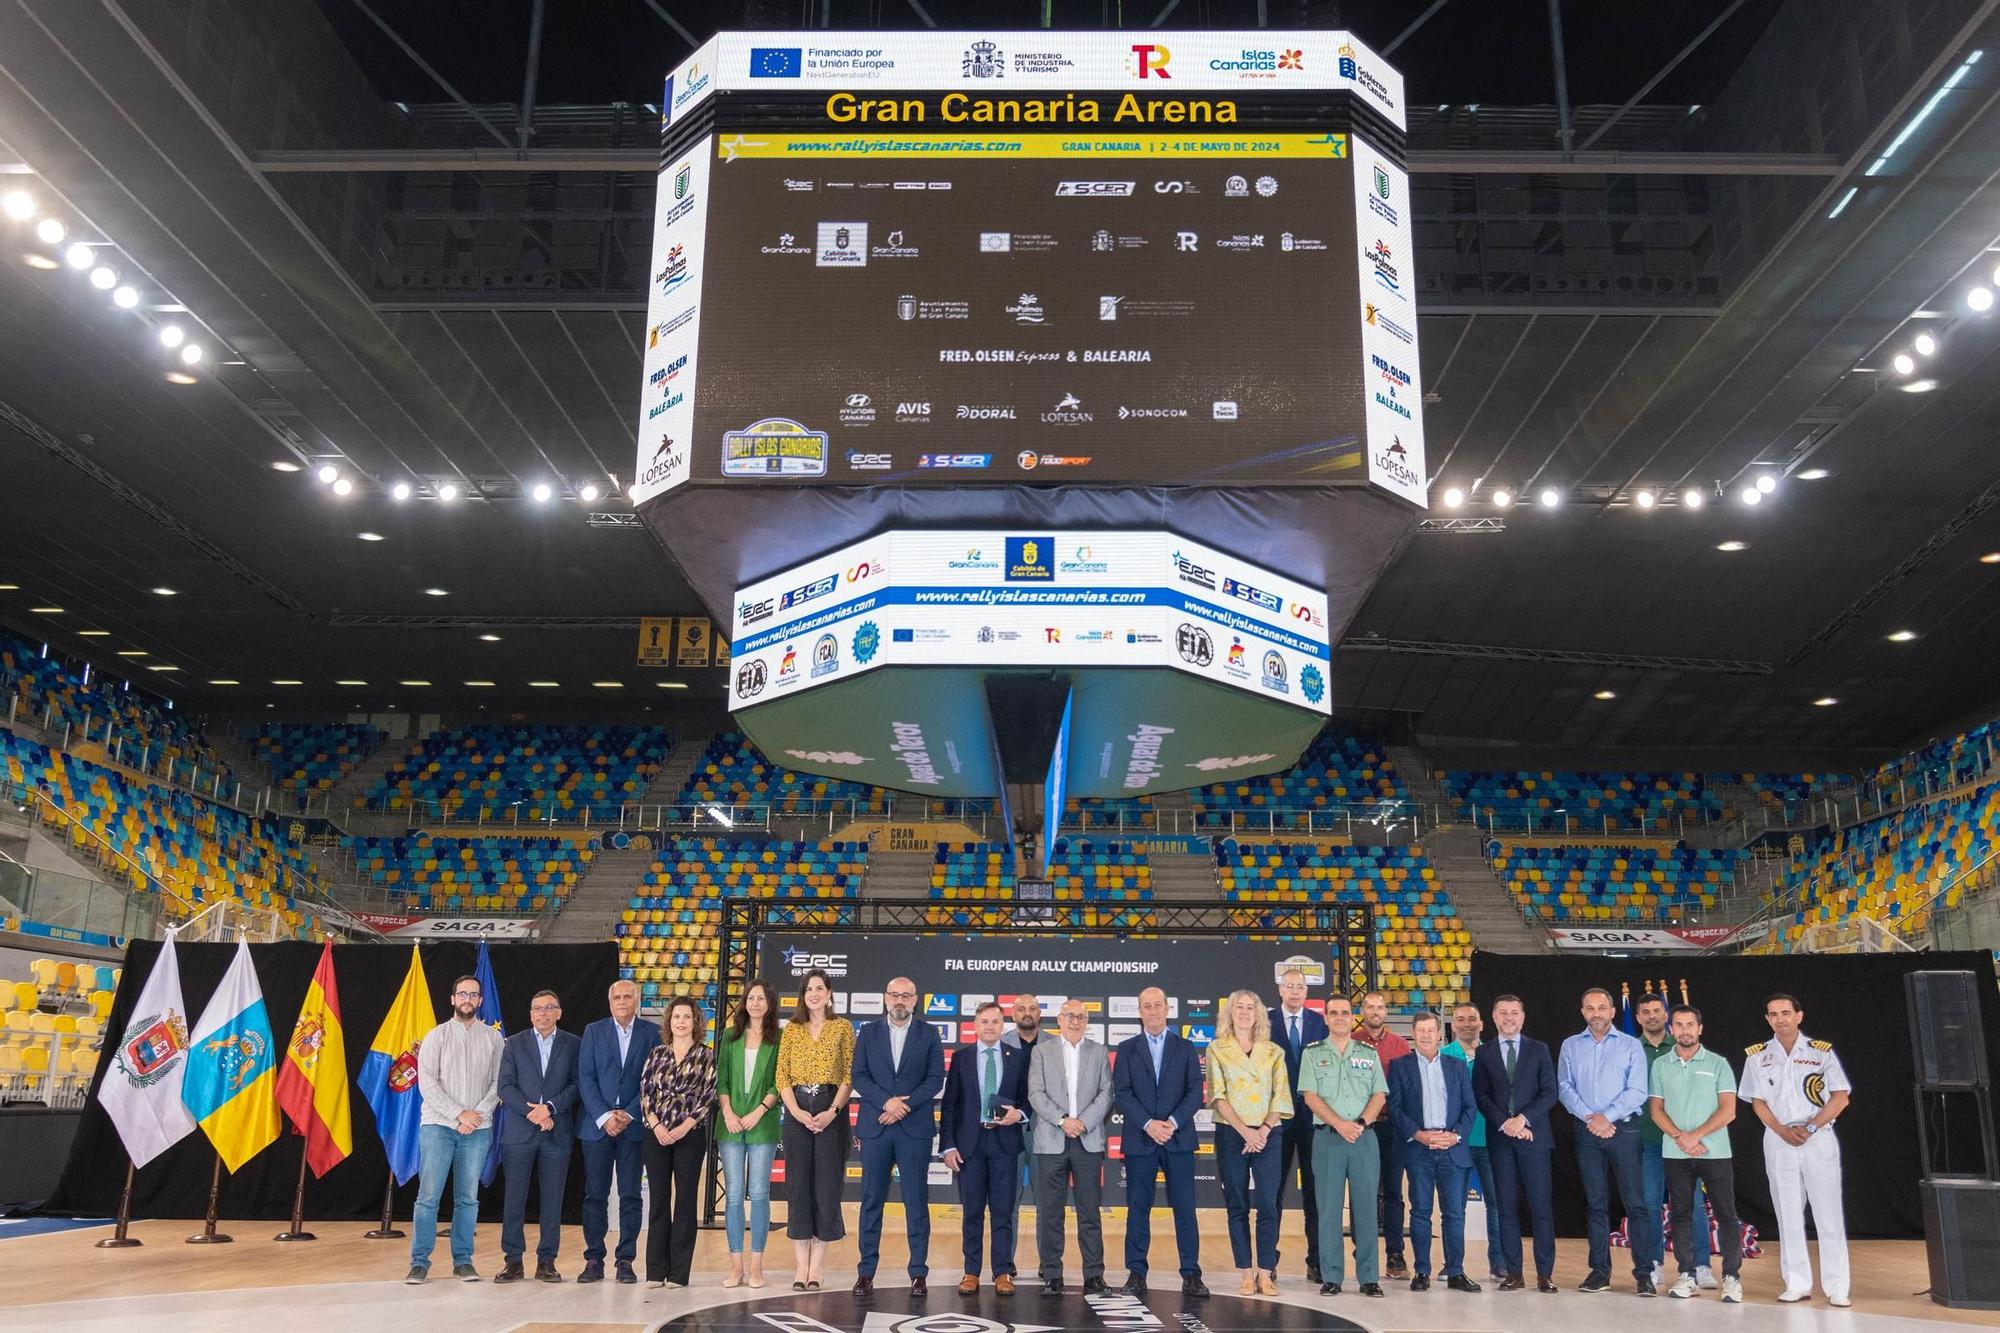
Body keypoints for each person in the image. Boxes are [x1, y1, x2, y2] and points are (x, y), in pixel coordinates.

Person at [1739, 993, 1851, 1307]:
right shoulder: (1757, 1057)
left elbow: (1840, 1097)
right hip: (1779, 1138)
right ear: (1767, 1020)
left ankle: (1837, 1286)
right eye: (1773, 1014)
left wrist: (1812, 1126)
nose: (1780, 1019)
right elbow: (1757, 1102)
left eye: (1786, 1012)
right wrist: (1781, 1131)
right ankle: (1797, 1283)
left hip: (1817, 1137)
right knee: (1788, 1213)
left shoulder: (1821, 1053)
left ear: (1799, 1016)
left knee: (1828, 1214)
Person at [1558, 986, 1658, 1296]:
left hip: (1624, 1131)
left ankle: (1644, 1274)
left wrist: (1608, 1117)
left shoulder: (1630, 1045)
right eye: (1590, 1008)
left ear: (1613, 1011)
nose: (1596, 1013)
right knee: (1596, 1205)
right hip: (1587, 1133)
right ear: (1583, 1012)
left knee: (1636, 1204)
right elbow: (1564, 1087)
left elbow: (1638, 1090)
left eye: (1602, 1007)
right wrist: (1591, 1118)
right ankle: (1599, 1272)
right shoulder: (1570, 1045)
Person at [405, 973, 504, 1284]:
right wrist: (458, 1114)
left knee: (468, 1198)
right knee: (428, 1196)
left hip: (478, 1128)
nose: (467, 999)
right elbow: (428, 1084)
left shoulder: (493, 1038)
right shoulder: (436, 1036)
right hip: (438, 1126)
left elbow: (499, 1083)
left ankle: (463, 1261)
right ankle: (419, 1262)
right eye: (462, 994)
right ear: (452, 999)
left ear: (480, 1000)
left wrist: (476, 1115)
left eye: (473, 995)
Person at [850, 975, 945, 1298]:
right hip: (876, 1126)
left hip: (913, 1128)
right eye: (894, 995)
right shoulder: (868, 1032)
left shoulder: (929, 1034)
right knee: (871, 1201)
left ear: (916, 999)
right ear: (886, 998)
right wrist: (886, 1102)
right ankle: (866, 1272)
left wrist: (903, 1106)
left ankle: (918, 1272)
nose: (900, 1000)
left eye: (906, 995)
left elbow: (935, 1080)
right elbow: (858, 1076)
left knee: (916, 1203)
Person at [1113, 986, 1207, 1297]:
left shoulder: (1186, 1047)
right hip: (1141, 1139)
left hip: (1178, 1138)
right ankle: (1136, 1272)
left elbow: (1195, 1091)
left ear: (1167, 1008)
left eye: (1157, 1005)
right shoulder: (1126, 1049)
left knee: (1184, 1208)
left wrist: (1172, 1123)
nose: (1153, 1011)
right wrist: (1148, 1124)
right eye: (1147, 1006)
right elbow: (1122, 1094)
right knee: (1138, 1208)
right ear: (1140, 1011)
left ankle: (1191, 1274)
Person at [1649, 1004, 1744, 1303]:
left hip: (1714, 1152)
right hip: (1676, 1153)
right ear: (1671, 1029)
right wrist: (1681, 1138)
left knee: (1727, 1215)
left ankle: (1731, 1277)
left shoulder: (1718, 1063)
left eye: (1690, 1024)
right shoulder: (1661, 1065)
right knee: (1681, 1216)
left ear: (1700, 1028)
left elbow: (1728, 1110)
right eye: (1678, 1025)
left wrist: (1696, 1136)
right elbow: (1656, 1110)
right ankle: (1686, 1275)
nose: (1685, 1030)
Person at [1298, 994, 1387, 1299]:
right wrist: (1340, 1124)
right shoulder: (1312, 1054)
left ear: (1353, 1018)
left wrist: (1359, 1124)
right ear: (1325, 1018)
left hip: (1363, 1139)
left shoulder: (1368, 1053)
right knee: (1329, 1210)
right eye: (1333, 1012)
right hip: (1327, 1139)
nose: (1339, 1017)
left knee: (1366, 1210)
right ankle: (1332, 1276)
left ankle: (1369, 1278)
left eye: (1345, 1013)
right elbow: (1310, 1097)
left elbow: (1379, 1095)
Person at [1472, 994, 1560, 1293]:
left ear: (1523, 1017)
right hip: (1500, 1141)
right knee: (1506, 1208)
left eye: (1514, 1013)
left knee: (1541, 1208)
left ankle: (1545, 1274)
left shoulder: (1540, 1050)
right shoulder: (1484, 1053)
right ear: (1494, 1017)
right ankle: (1513, 1273)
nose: (1509, 1018)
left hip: (1535, 1139)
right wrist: (1506, 1124)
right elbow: (1481, 1095)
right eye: (1503, 1013)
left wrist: (1522, 1120)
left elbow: (1550, 1092)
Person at [1207, 988, 1292, 1295]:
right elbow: (1217, 1095)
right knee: (1238, 1204)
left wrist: (1263, 1130)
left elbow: (1281, 1097)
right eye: (1238, 1007)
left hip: (1269, 1134)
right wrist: (1246, 1132)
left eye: (1250, 1007)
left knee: (1269, 1204)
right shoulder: (1217, 1049)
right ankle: (1245, 1271)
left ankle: (1265, 1272)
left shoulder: (1273, 1052)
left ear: (1258, 1014)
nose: (1244, 1012)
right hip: (1233, 1134)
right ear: (1229, 1013)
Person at [941, 1001, 1030, 1293]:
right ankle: (971, 1272)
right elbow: (950, 1105)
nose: (990, 1026)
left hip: (1005, 1142)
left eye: (995, 1021)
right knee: (972, 1212)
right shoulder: (961, 1058)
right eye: (984, 1022)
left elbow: (1028, 1098)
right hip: (971, 1144)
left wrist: (1019, 1114)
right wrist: (949, 1146)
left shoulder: (1016, 1057)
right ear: (975, 1026)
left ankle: (1003, 1272)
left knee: (1003, 1211)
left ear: (1003, 1025)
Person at [1390, 1013, 1480, 1294]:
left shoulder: (1456, 1066)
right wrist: (1419, 1134)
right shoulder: (1400, 1066)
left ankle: (1455, 1271)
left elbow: (1469, 1107)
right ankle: (1421, 1271)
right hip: (1419, 1148)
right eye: (1421, 1031)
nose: (1427, 1035)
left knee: (1454, 1214)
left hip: (1452, 1148)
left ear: (1440, 1035)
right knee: (1420, 1213)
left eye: (1431, 1030)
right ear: (1413, 1035)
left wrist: (1455, 1136)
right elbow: (1395, 1108)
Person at [775, 968, 854, 1291]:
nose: (814, 994)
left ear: (829, 993)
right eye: (809, 989)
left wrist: (832, 1111)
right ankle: (800, 1267)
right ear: (802, 994)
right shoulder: (791, 1030)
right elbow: (781, 1074)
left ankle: (817, 1269)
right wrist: (795, 1111)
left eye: (820, 988)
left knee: (826, 1189)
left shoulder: (843, 1028)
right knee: (798, 1189)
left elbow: (849, 1074)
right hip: (796, 1111)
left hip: (829, 1108)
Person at [494, 989, 580, 1283]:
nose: (543, 1013)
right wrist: (533, 1112)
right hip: (520, 1132)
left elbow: (578, 1084)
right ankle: (513, 1261)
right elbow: (504, 1086)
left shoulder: (573, 1044)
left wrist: (551, 1109)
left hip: (556, 1132)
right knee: (514, 1198)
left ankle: (547, 1261)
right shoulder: (514, 1044)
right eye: (537, 1009)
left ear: (559, 1012)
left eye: (549, 1008)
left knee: (553, 1200)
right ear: (530, 1014)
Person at [577, 978, 660, 1285]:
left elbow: (653, 1080)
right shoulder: (593, 1031)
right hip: (596, 1128)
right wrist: (603, 1116)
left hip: (633, 1127)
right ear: (609, 1001)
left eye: (628, 996)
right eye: (617, 997)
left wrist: (627, 1113)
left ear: (637, 1000)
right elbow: (585, 1078)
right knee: (595, 1196)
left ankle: (625, 1260)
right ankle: (594, 1259)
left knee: (630, 1196)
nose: (622, 1001)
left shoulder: (651, 1033)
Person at [1028, 997, 1112, 1296]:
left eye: (1080, 1016)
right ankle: (1052, 1273)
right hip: (1051, 1140)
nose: (1075, 1021)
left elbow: (1105, 1093)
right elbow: (1035, 1094)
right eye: (1069, 1016)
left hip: (1087, 1141)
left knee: (1089, 1211)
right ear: (1059, 1020)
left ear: (1086, 1021)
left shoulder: (1099, 1051)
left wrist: (1083, 1122)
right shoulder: (1041, 1051)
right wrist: (1063, 1120)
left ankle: (1094, 1274)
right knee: (1051, 1212)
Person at [1635, 993, 1713, 1287]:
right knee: (1650, 1203)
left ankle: (1700, 1264)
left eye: (1657, 1010)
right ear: (1639, 1017)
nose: (1652, 1015)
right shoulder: (1631, 1049)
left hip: (1684, 1143)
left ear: (1666, 1015)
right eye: (1646, 1012)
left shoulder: (1682, 1047)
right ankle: (1654, 1263)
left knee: (1692, 1204)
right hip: (1648, 1141)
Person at [639, 996, 716, 1289]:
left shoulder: (705, 1055)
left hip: (690, 1136)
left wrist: (685, 1126)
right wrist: (657, 1125)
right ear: (668, 1022)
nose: (680, 1022)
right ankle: (655, 1271)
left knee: (684, 1201)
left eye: (686, 1017)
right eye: (676, 1017)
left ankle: (679, 1273)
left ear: (695, 1022)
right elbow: (645, 1093)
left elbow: (708, 1096)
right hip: (655, 1134)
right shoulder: (656, 1054)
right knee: (658, 1200)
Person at [717, 979, 782, 1289]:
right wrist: (729, 1113)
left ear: (770, 1004)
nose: (755, 1002)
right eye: (751, 997)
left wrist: (758, 1112)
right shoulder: (730, 1036)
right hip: (729, 1126)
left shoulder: (779, 1038)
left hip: (763, 1124)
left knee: (758, 1194)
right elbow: (722, 1080)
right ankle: (736, 1266)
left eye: (761, 998)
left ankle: (757, 1266)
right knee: (732, 1196)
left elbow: (780, 1082)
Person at [1270, 968, 1330, 1284]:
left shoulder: (1320, 1023)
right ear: (1280, 990)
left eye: (1300, 987)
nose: (1295, 991)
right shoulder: (1265, 1022)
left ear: (1307, 992)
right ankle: (1269, 1260)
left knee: (1314, 1194)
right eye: (1289, 986)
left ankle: (1317, 1261)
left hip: (1312, 1120)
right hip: (1276, 1119)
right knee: (1272, 1192)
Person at [1350, 989, 1412, 1278]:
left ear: (1386, 1011)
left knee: (1392, 1192)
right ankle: (1361, 1252)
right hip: (1359, 1127)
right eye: (1370, 1006)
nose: (1375, 1011)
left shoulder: (1400, 1045)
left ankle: (1395, 1253)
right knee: (1361, 1192)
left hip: (1391, 1127)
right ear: (1362, 1011)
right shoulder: (1350, 1043)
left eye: (1380, 1007)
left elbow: (1407, 1089)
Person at [1442, 1001, 1503, 1284]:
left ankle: (1499, 1263)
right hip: (1456, 1142)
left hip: (1490, 1140)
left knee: (1497, 1204)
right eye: (1461, 1019)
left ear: (1481, 1024)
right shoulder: (1442, 1056)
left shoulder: (1493, 1055)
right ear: (1453, 1025)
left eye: (1472, 1019)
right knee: (1454, 1207)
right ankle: (1452, 1264)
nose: (1467, 1023)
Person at [1000, 992, 1043, 1237]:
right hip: (1008, 1129)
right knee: (1007, 1201)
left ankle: (1048, 1265)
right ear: (1013, 1014)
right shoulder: (1000, 1042)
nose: (1027, 1013)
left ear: (1040, 1013)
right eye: (1021, 1009)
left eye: (1032, 1008)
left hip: (1045, 1129)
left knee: (1046, 1203)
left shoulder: (1053, 1044)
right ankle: (1006, 1264)